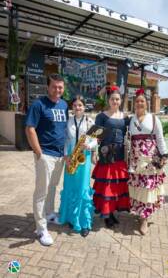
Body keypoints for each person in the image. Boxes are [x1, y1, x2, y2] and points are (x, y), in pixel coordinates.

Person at [25, 74, 68, 246]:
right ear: (47, 87)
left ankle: (49, 214)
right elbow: (30, 129)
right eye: (54, 86)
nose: (57, 90)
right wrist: (39, 153)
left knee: (52, 187)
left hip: (59, 155)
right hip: (46, 155)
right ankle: (41, 229)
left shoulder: (64, 105)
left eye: (60, 87)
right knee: (41, 192)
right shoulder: (39, 104)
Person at [128, 89, 168, 235]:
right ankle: (140, 213)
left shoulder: (153, 119)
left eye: (142, 101)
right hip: (135, 159)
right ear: (134, 103)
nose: (139, 103)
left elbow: (160, 138)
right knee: (139, 186)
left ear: (147, 104)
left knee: (148, 186)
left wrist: (164, 155)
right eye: (137, 101)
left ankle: (145, 218)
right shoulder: (131, 119)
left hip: (150, 159)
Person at [59, 96, 97, 237]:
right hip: (71, 156)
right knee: (70, 187)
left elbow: (95, 140)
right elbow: (66, 140)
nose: (77, 108)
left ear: (84, 107)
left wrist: (90, 145)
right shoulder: (68, 121)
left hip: (84, 157)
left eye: (80, 105)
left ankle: (84, 223)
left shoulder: (90, 121)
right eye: (75, 105)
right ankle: (70, 218)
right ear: (72, 107)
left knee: (82, 188)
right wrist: (66, 156)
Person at [92, 86, 130, 228]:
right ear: (108, 100)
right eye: (112, 99)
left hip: (119, 157)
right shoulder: (101, 116)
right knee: (107, 186)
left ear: (120, 101)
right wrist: (94, 152)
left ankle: (112, 212)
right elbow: (95, 137)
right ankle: (107, 214)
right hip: (105, 156)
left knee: (116, 187)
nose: (115, 101)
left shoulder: (125, 118)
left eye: (117, 99)